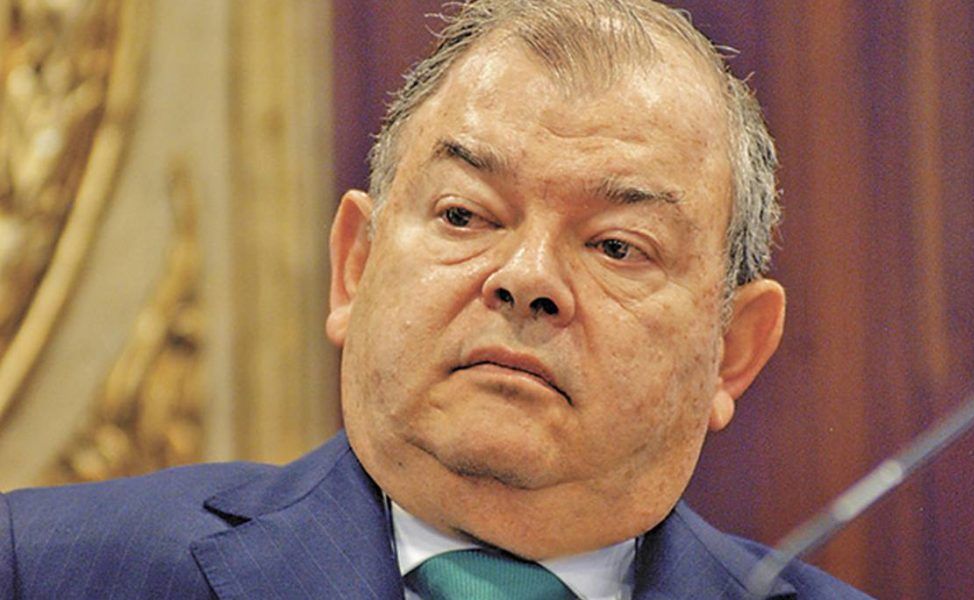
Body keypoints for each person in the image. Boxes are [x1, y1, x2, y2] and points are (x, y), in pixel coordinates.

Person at [1, 1, 872, 598]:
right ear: (355, 267)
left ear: (732, 349)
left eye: (616, 245)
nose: (526, 277)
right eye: (464, 214)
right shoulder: (43, 570)